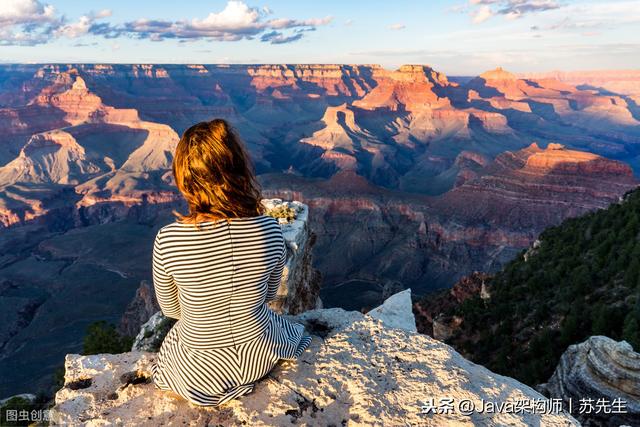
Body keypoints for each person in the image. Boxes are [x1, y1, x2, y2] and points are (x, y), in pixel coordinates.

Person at [149, 119, 312, 406]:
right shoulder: (269, 230)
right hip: (260, 353)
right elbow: (270, 294)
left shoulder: (168, 240)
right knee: (275, 323)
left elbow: (171, 309)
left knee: (175, 340)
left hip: (198, 371)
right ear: (238, 171)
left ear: (185, 179)